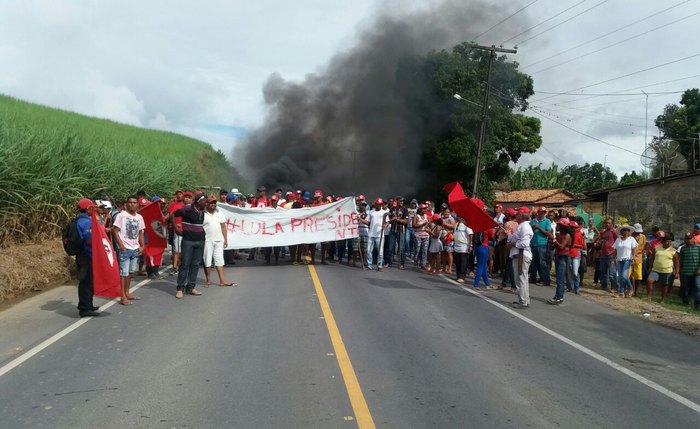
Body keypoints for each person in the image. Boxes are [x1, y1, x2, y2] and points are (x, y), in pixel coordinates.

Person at [171, 193, 208, 298]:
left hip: (200, 241)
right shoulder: (187, 209)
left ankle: (191, 287)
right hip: (188, 241)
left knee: (195, 264)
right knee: (185, 264)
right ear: (198, 202)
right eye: (204, 201)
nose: (206, 203)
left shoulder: (203, 211)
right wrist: (176, 228)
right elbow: (172, 215)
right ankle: (180, 288)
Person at [112, 195, 145, 305]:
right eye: (130, 202)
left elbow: (140, 232)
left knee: (131, 272)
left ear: (137, 205)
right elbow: (115, 230)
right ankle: (122, 296)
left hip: (135, 248)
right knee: (124, 273)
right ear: (126, 204)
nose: (132, 204)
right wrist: (121, 245)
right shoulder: (122, 216)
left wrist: (142, 246)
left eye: (135, 202)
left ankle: (127, 292)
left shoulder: (139, 217)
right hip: (125, 248)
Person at [203, 196, 236, 287]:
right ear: (207, 204)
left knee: (219, 260)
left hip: (218, 240)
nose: (213, 204)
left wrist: (225, 239)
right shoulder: (203, 214)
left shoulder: (220, 213)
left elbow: (223, 227)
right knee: (207, 261)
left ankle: (222, 280)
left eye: (214, 202)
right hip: (207, 241)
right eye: (211, 203)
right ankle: (208, 280)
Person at [74, 198, 100, 317]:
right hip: (87, 254)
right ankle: (85, 308)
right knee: (86, 282)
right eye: (92, 208)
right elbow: (89, 240)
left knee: (88, 282)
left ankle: (87, 304)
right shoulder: (87, 222)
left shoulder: (77, 220)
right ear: (88, 209)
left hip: (81, 254)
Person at [509, 206, 534, 309]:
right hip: (519, 255)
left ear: (521, 215)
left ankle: (523, 301)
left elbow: (524, 243)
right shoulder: (522, 226)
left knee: (521, 278)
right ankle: (524, 299)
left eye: (517, 214)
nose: (516, 216)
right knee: (522, 278)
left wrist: (513, 244)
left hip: (522, 255)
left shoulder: (525, 227)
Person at [646, 234, 678, 303]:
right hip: (655, 270)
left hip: (667, 271)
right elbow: (651, 258)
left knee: (664, 285)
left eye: (670, 241)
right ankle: (649, 296)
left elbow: (676, 263)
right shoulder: (657, 248)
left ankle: (662, 299)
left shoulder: (673, 251)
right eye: (667, 241)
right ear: (663, 242)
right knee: (649, 281)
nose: (669, 243)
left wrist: (677, 272)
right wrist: (650, 267)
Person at [549, 218, 572, 305]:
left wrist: (554, 240)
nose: (557, 226)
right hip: (558, 256)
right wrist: (552, 242)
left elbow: (562, 247)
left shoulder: (567, 235)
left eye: (559, 225)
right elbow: (554, 247)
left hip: (564, 257)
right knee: (559, 278)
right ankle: (557, 295)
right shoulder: (559, 234)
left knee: (560, 278)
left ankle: (559, 297)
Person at [611, 225, 638, 298]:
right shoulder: (618, 240)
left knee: (624, 275)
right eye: (624, 230)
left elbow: (634, 248)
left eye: (627, 230)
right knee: (620, 277)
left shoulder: (631, 239)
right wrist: (613, 259)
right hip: (619, 259)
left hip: (627, 259)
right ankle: (621, 292)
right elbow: (615, 250)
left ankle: (630, 288)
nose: (626, 231)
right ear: (621, 231)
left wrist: (633, 257)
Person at [529, 207, 553, 286]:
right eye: (541, 212)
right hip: (533, 244)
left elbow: (548, 233)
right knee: (533, 262)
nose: (542, 214)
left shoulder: (547, 221)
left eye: (544, 212)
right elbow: (529, 232)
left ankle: (544, 280)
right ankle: (533, 278)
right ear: (538, 212)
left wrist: (539, 228)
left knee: (542, 263)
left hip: (542, 244)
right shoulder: (533, 221)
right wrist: (533, 228)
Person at [364, 198, 389, 271]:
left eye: (380, 204)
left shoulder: (384, 213)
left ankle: (380, 266)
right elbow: (367, 222)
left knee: (380, 251)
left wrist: (385, 225)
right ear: (375, 204)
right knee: (368, 250)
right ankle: (369, 265)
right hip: (371, 234)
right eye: (378, 204)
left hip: (380, 235)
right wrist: (360, 219)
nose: (379, 206)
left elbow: (387, 222)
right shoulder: (371, 212)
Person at [676, 232, 699, 309]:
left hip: (696, 272)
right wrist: (678, 271)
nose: (689, 240)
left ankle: (697, 304)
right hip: (685, 272)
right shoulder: (682, 248)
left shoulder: (698, 248)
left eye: (690, 239)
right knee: (685, 288)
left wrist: (699, 269)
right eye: (687, 239)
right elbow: (680, 261)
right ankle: (685, 302)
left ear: (693, 238)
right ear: (685, 239)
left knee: (697, 288)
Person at [595, 217, 618, 292]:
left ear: (612, 224)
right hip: (603, 253)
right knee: (603, 271)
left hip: (611, 253)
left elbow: (617, 242)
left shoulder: (614, 232)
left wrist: (615, 253)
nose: (608, 224)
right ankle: (604, 286)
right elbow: (601, 239)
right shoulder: (604, 232)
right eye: (607, 223)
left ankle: (614, 287)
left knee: (612, 273)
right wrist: (599, 243)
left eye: (609, 223)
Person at [167, 190, 187, 274]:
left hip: (184, 229)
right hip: (173, 229)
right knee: (175, 249)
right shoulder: (172, 205)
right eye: (177, 194)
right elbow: (169, 216)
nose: (179, 196)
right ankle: (174, 266)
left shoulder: (185, 206)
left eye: (180, 194)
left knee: (182, 249)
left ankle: (179, 265)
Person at [388, 196, 409, 269]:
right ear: (396, 201)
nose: (402, 202)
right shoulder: (391, 209)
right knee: (390, 247)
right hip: (393, 230)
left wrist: (397, 220)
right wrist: (392, 220)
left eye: (403, 201)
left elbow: (406, 221)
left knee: (401, 248)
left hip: (401, 231)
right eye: (400, 201)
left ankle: (402, 264)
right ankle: (389, 262)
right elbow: (389, 220)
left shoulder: (405, 209)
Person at [473, 225, 495, 289]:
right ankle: (476, 285)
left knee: (483, 266)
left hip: (477, 247)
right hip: (484, 247)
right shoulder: (489, 228)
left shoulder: (477, 227)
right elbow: (492, 237)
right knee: (480, 266)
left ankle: (487, 283)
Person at [453, 217, 472, 283]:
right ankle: (458, 276)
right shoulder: (456, 224)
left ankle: (462, 276)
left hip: (464, 247)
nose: (457, 218)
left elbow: (470, 235)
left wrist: (470, 245)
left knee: (463, 262)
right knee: (457, 262)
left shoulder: (466, 225)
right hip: (456, 247)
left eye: (459, 217)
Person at [569, 220, 585, 294]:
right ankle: (570, 286)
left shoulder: (579, 234)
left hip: (576, 254)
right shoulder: (569, 234)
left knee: (575, 272)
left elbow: (583, 246)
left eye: (574, 227)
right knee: (570, 271)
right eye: (571, 227)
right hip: (569, 254)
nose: (573, 228)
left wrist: (574, 245)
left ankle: (577, 288)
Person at [413, 204, 430, 270]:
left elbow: (430, 225)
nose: (425, 210)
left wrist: (429, 226)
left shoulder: (427, 217)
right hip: (418, 235)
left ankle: (423, 264)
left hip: (426, 235)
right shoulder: (416, 216)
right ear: (420, 210)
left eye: (425, 209)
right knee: (417, 249)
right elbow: (413, 225)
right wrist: (422, 224)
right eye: (423, 209)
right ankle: (416, 262)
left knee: (424, 250)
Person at [631, 223, 646, 296]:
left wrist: (643, 253)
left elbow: (644, 246)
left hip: (639, 258)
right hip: (630, 258)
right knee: (629, 276)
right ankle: (631, 290)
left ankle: (635, 291)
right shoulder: (630, 237)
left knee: (638, 276)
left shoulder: (643, 237)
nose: (638, 233)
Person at [440, 207, 456, 274]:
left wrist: (444, 224)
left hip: (449, 238)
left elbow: (453, 226)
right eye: (445, 211)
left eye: (448, 212)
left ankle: (449, 268)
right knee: (443, 252)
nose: (446, 213)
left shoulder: (451, 218)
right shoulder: (441, 218)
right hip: (442, 237)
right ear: (443, 212)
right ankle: (443, 267)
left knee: (449, 253)